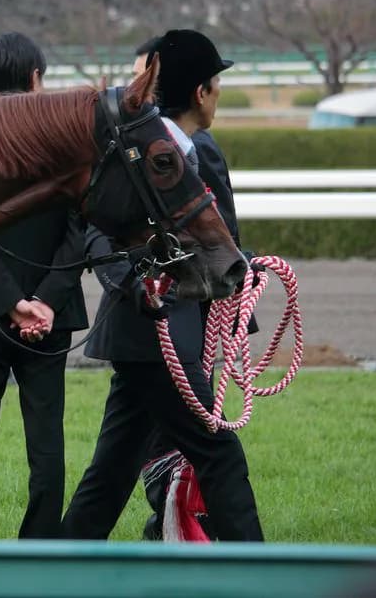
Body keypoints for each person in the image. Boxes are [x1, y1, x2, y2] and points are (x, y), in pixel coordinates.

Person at [61, 29, 263, 542]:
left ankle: (57, 565)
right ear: (201, 91)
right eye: (216, 83)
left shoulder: (147, 145)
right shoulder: (183, 153)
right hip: (164, 330)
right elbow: (220, 242)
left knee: (111, 470)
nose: (218, 93)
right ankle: (260, 573)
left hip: (142, 332)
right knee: (218, 452)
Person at [0, 32, 89, 539]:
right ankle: (40, 551)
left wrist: (10, 302)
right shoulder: (63, 144)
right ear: (35, 79)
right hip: (50, 320)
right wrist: (45, 302)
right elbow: (79, 234)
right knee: (47, 443)